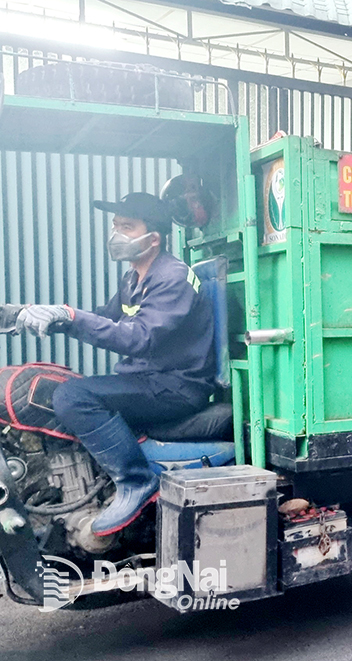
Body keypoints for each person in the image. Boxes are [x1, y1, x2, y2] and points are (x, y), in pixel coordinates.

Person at [17, 192, 215, 536]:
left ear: (153, 238)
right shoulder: (133, 277)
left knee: (73, 397)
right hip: (148, 379)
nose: (116, 234)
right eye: (115, 226)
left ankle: (136, 481)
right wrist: (46, 315)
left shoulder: (172, 278)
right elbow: (105, 319)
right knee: (57, 388)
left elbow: (137, 338)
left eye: (126, 226)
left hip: (176, 387)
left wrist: (73, 317)